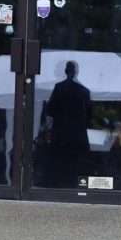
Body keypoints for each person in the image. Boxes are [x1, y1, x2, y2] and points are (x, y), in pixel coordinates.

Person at [45, 60, 91, 188]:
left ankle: (58, 185)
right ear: (75, 72)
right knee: (74, 163)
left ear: (65, 72)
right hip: (76, 133)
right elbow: (89, 115)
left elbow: (50, 110)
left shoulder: (59, 88)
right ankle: (71, 185)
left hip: (60, 132)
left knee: (59, 162)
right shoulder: (83, 91)